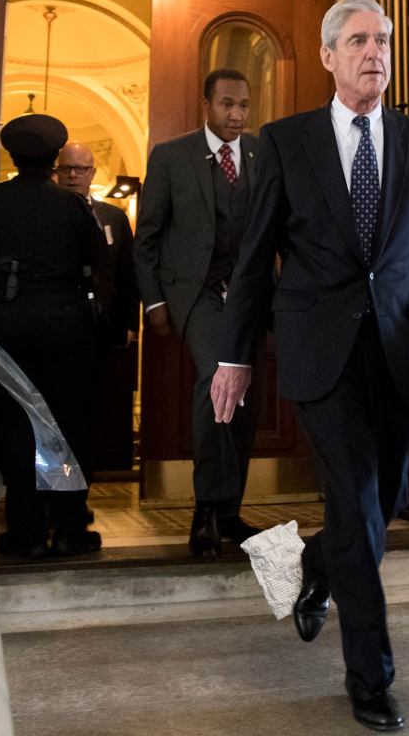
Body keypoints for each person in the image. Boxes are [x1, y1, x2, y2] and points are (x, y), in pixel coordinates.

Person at [211, 0, 409, 732]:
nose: (376, 51)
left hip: (398, 349)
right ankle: (371, 676)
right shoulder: (285, 141)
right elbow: (255, 259)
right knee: (360, 497)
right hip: (319, 351)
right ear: (331, 54)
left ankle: (309, 568)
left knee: (389, 493)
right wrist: (235, 354)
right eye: (361, 40)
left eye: (385, 40)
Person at [0, 113, 108, 558]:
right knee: (64, 426)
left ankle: (26, 531)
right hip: (66, 326)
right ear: (56, 159)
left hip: (4, 328)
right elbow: (100, 267)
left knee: (13, 426)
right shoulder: (74, 206)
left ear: (12, 156)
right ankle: (69, 527)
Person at [134, 68, 263, 557]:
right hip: (196, 294)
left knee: (246, 398)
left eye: (244, 105)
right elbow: (146, 239)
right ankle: (206, 509)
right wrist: (155, 301)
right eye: (227, 104)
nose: (236, 114)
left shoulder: (259, 155)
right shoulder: (171, 156)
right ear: (205, 104)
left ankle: (230, 511)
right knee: (218, 378)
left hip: (248, 295)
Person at [56, 141, 139, 348]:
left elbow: (127, 274)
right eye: (66, 168)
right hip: (56, 322)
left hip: (103, 324)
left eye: (81, 169)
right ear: (57, 172)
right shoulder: (44, 215)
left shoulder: (114, 217)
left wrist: (129, 324)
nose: (73, 175)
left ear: (92, 173)